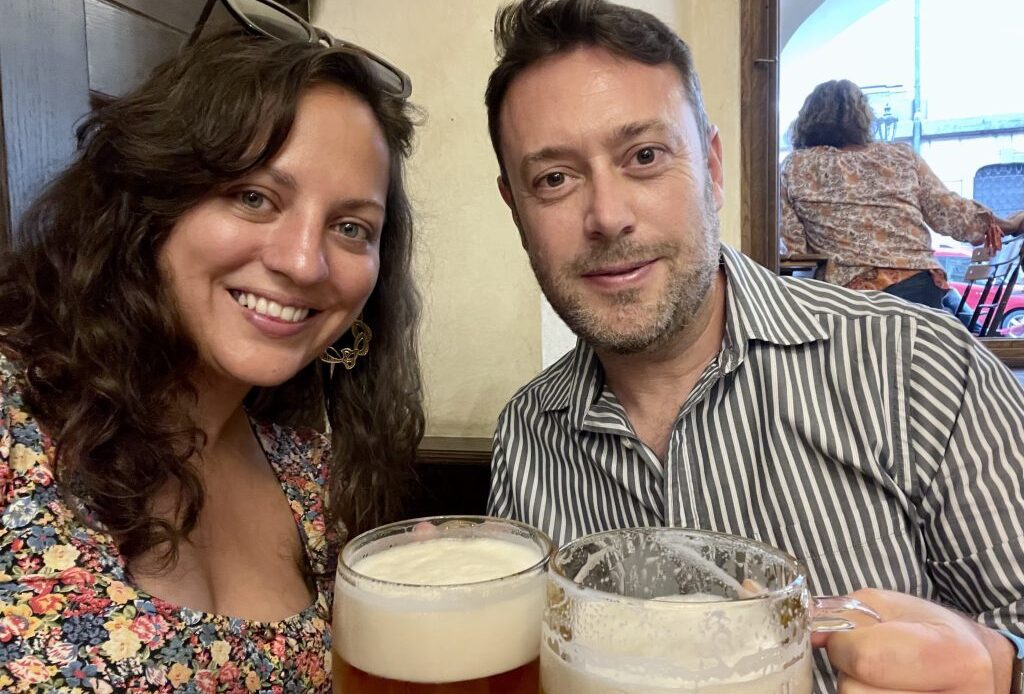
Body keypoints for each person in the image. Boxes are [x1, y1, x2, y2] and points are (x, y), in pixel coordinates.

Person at [482, 1, 1024, 692]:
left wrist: (1004, 670)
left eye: (645, 156)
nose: (607, 217)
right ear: (516, 209)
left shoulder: (921, 371)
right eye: (554, 178)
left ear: (712, 164)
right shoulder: (527, 437)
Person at [0, 24, 423, 693]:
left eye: (350, 228)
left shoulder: (314, 479)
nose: (304, 261)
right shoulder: (12, 425)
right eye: (255, 197)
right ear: (151, 201)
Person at [780, 78, 1024, 312]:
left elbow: (797, 250)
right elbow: (950, 212)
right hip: (918, 288)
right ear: (862, 118)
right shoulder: (899, 156)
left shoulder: (794, 167)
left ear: (807, 121)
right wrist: (1007, 223)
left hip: (850, 301)